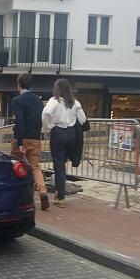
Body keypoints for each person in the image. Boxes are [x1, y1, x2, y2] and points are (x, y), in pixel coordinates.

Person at [42, 78, 87, 208]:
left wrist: (48, 127)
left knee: (59, 165)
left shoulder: (54, 101)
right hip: (72, 134)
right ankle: (60, 192)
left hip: (58, 133)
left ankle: (60, 196)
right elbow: (83, 119)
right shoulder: (75, 102)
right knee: (63, 163)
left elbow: (46, 113)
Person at [11, 73, 49, 210]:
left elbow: (19, 122)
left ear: (19, 84)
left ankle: (17, 196)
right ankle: (43, 191)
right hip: (35, 137)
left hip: (21, 138)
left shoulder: (17, 100)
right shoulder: (38, 101)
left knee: (15, 166)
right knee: (35, 167)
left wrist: (20, 142)